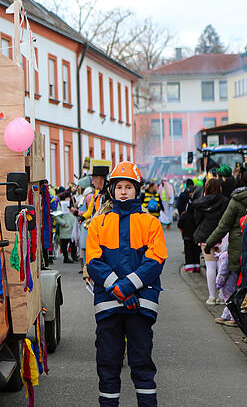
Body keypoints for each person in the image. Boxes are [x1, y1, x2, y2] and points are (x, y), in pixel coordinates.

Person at [86, 161, 166, 406]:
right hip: (111, 307)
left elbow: (156, 259)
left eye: (128, 187)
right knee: (108, 363)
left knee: (141, 363)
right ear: (111, 191)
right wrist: (120, 289)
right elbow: (93, 261)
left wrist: (126, 287)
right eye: (119, 186)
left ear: (137, 190)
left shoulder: (150, 223)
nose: (123, 191)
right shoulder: (98, 224)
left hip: (139, 305)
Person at [204, 171, 247, 291]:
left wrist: (209, 243)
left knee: (237, 289)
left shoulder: (236, 201)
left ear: (241, 182)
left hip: (239, 251)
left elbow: (223, 226)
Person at [190, 179, 227, 303]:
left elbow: (196, 219)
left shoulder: (200, 203)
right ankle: (222, 296)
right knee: (221, 265)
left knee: (210, 266)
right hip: (221, 236)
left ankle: (212, 297)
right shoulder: (225, 201)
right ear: (219, 188)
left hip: (205, 236)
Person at [176, 180, 201, 273]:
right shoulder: (197, 215)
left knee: (188, 251)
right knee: (196, 251)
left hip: (186, 236)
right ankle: (197, 266)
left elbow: (180, 224)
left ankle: (189, 266)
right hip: (195, 235)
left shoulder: (185, 215)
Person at [53, 195, 78, 263]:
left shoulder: (71, 204)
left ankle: (74, 256)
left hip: (72, 227)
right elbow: (57, 216)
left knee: (73, 243)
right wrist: (63, 223)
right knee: (64, 243)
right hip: (65, 227)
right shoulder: (60, 205)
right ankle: (66, 257)